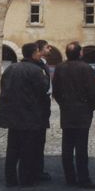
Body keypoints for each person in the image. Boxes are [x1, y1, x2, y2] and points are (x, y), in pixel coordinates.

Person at [0, 42, 50, 187]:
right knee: (27, 149)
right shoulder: (36, 70)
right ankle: (26, 178)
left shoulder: (10, 68)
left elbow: (4, 88)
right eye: (38, 51)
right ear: (33, 53)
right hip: (29, 115)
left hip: (13, 116)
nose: (39, 53)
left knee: (12, 149)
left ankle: (10, 178)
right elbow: (43, 90)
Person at [52, 41, 95, 189]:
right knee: (81, 146)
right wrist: (90, 108)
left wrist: (63, 104)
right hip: (83, 110)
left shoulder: (59, 68)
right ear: (80, 53)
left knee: (67, 145)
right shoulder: (86, 68)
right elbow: (92, 91)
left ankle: (70, 177)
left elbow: (56, 91)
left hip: (67, 110)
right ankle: (83, 178)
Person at [34, 39, 52, 181]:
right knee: (35, 141)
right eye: (47, 47)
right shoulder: (36, 66)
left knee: (40, 141)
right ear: (39, 50)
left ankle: (39, 169)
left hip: (44, 106)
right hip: (37, 108)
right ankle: (34, 171)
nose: (50, 48)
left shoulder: (44, 63)